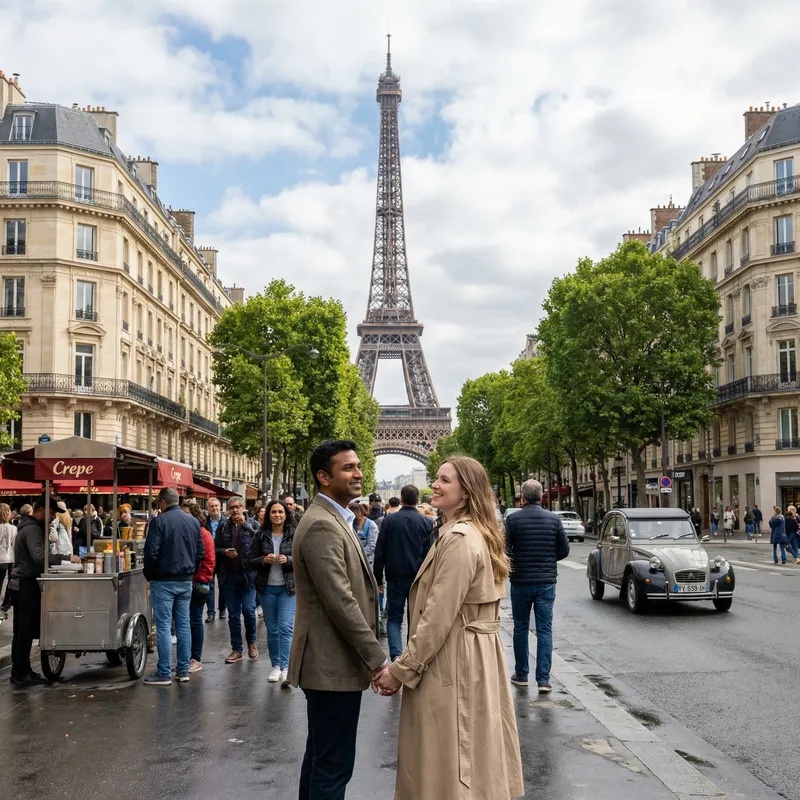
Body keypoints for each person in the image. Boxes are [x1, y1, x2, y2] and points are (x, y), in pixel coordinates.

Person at [373, 455, 524, 800]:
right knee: (470, 757)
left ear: (466, 492)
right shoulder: (470, 533)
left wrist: (401, 668)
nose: (435, 486)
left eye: (444, 480)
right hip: (471, 655)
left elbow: (438, 617)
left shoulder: (458, 538)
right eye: (436, 478)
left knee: (451, 760)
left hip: (453, 660)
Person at [288, 440, 388, 800]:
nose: (358, 473)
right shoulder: (322, 525)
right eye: (348, 468)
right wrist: (377, 659)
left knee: (321, 759)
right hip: (331, 666)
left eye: (358, 466)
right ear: (323, 477)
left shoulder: (334, 518)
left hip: (331, 664)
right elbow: (341, 602)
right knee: (333, 766)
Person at [504, 479, 569, 691]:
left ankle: (522, 674)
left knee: (521, 627)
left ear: (522, 497)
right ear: (541, 496)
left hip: (521, 581)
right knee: (544, 630)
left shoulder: (512, 520)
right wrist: (548, 560)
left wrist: (517, 562)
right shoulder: (553, 519)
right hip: (546, 582)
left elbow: (504, 550)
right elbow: (564, 550)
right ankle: (543, 680)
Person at [9, 496, 81, 685]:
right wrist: (65, 557)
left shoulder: (30, 527)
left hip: (20, 581)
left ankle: (22, 669)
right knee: (24, 629)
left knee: (22, 629)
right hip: (25, 583)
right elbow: (39, 557)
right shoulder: (32, 529)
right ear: (40, 509)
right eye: (51, 513)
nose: (52, 517)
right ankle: (20, 673)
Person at [142, 487, 204, 686]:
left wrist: (150, 575)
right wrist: (190, 571)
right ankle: (183, 670)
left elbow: (151, 552)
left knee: (164, 627)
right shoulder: (193, 522)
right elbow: (200, 552)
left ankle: (163, 672)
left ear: (161, 502)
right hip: (185, 579)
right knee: (183, 625)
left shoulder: (159, 522)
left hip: (164, 579)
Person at [373, 484, 433, 661]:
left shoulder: (389, 520)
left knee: (393, 619)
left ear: (401, 499)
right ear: (417, 500)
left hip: (395, 577)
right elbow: (430, 554)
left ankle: (396, 656)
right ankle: (411, 657)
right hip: (418, 577)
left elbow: (380, 551)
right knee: (416, 620)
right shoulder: (427, 522)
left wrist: (378, 579)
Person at [249, 500, 296, 685]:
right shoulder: (260, 535)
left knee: (285, 627)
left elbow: (303, 559)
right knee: (272, 629)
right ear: (268, 515)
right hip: (267, 588)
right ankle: (275, 666)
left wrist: (289, 560)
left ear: (286, 514)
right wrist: (263, 560)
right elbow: (250, 561)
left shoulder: (294, 534)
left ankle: (286, 667)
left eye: (280, 512)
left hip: (288, 588)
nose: (277, 515)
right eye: (274, 512)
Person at [215, 496, 259, 663]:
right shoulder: (223, 526)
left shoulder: (253, 524)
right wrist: (225, 551)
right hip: (229, 576)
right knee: (233, 615)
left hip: (248, 576)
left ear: (243, 508)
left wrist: (245, 526)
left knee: (248, 611)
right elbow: (215, 547)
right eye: (231, 508)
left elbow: (260, 541)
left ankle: (252, 643)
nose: (234, 511)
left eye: (237, 507)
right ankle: (236, 649)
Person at [187, 504, 215, 673]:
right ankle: (188, 657)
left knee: (195, 619)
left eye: (187, 514)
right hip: (187, 581)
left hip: (197, 583)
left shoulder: (204, 535)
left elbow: (209, 562)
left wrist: (200, 580)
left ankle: (196, 658)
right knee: (186, 621)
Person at [202, 497, 227, 623]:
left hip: (222, 558)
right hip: (208, 558)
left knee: (223, 586)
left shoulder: (226, 522)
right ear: (208, 509)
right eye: (212, 506)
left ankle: (222, 609)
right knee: (209, 586)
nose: (215, 508)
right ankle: (210, 613)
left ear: (220, 507)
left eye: (216, 506)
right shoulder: (204, 523)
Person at [0, 503, 17, 621]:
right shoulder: (12, 528)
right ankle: (5, 604)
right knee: (9, 582)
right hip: (8, 558)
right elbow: (15, 545)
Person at [350, 501, 379, 567]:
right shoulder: (351, 523)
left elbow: (371, 545)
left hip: (366, 561)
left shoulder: (371, 525)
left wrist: (356, 555)